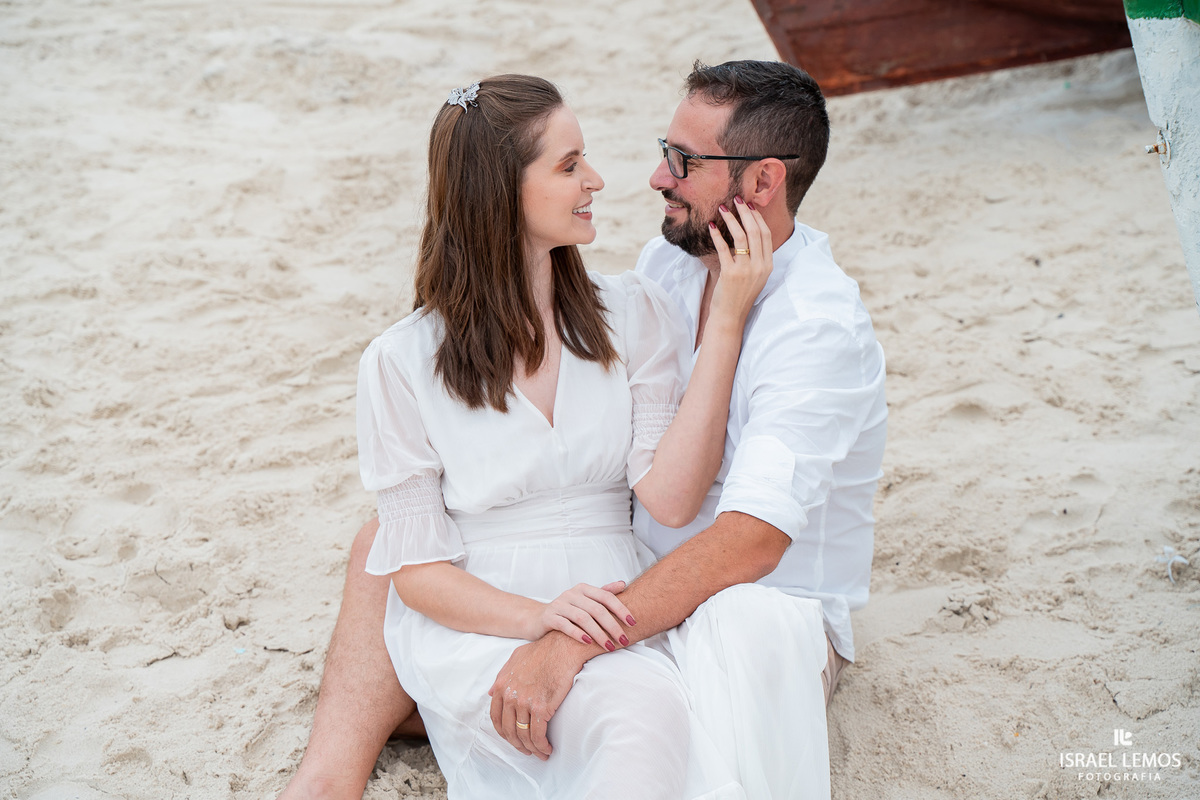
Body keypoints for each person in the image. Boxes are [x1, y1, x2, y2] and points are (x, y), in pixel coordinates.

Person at [281, 60, 886, 800]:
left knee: (647, 709)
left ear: (760, 183)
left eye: (683, 162)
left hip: (735, 602)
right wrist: (545, 618)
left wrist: (566, 638)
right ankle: (326, 778)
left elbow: (746, 542)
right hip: (621, 585)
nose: (651, 180)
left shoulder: (811, 328)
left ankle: (465, 714)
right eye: (663, 152)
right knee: (385, 542)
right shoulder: (668, 265)